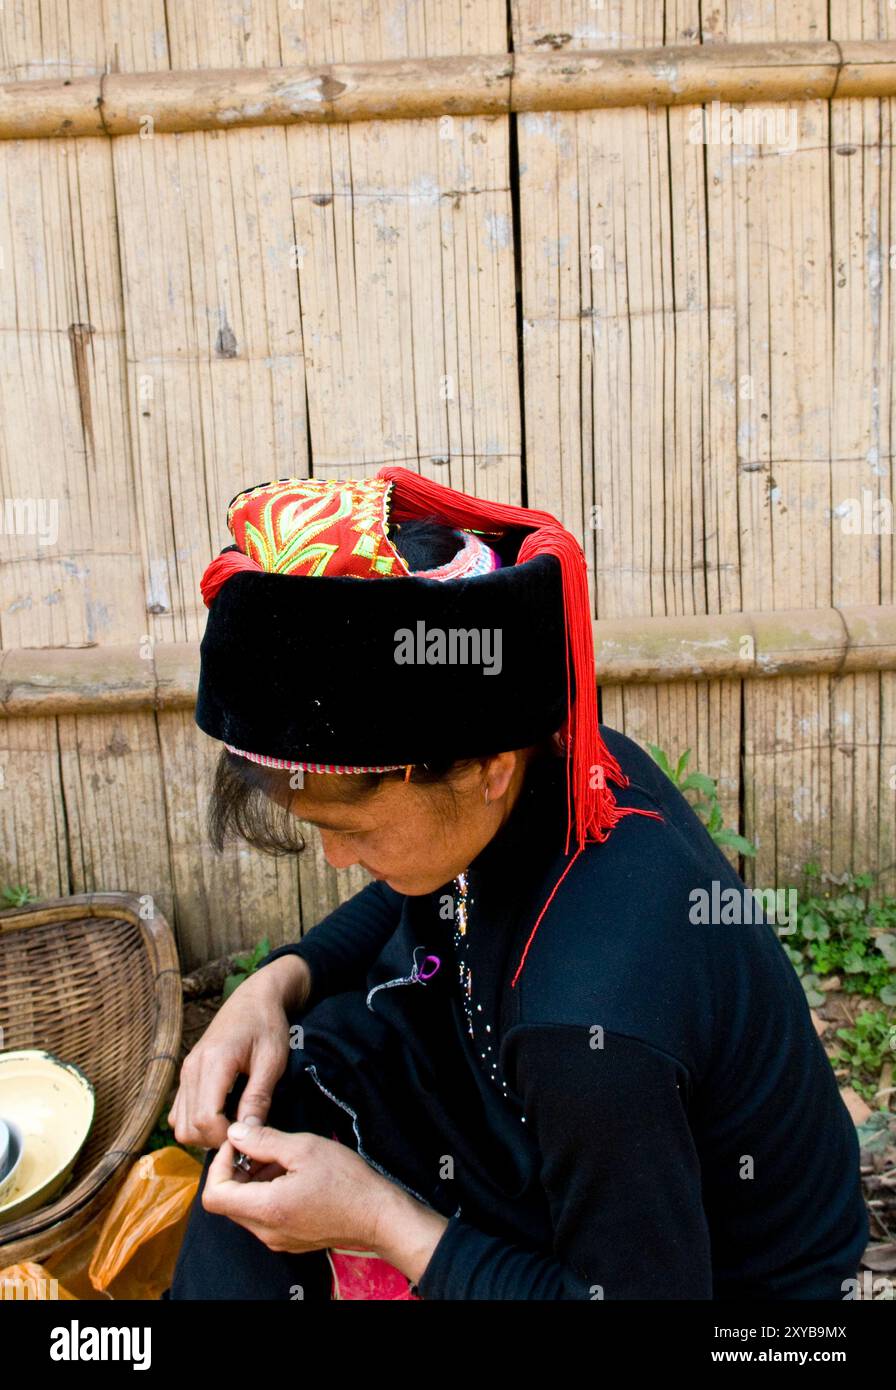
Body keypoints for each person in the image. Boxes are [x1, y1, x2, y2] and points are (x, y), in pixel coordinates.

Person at [166, 469, 868, 1300]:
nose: (338, 862)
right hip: (534, 1113)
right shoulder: (550, 766)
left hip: (720, 1278)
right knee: (265, 1137)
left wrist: (381, 1221)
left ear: (486, 767)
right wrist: (274, 988)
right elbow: (409, 887)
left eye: (351, 830)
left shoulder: (587, 1021)